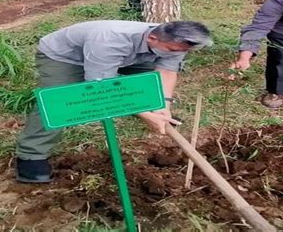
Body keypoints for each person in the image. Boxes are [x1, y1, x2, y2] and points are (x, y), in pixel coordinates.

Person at [16, 20, 212, 183]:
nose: (175, 53)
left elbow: (167, 72)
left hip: (124, 57)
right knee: (59, 103)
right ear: (153, 38)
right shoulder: (110, 40)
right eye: (171, 50)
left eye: (180, 51)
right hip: (66, 57)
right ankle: (31, 155)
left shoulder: (177, 41)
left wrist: (163, 106)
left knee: (147, 84)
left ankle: (155, 114)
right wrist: (143, 114)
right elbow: (101, 89)